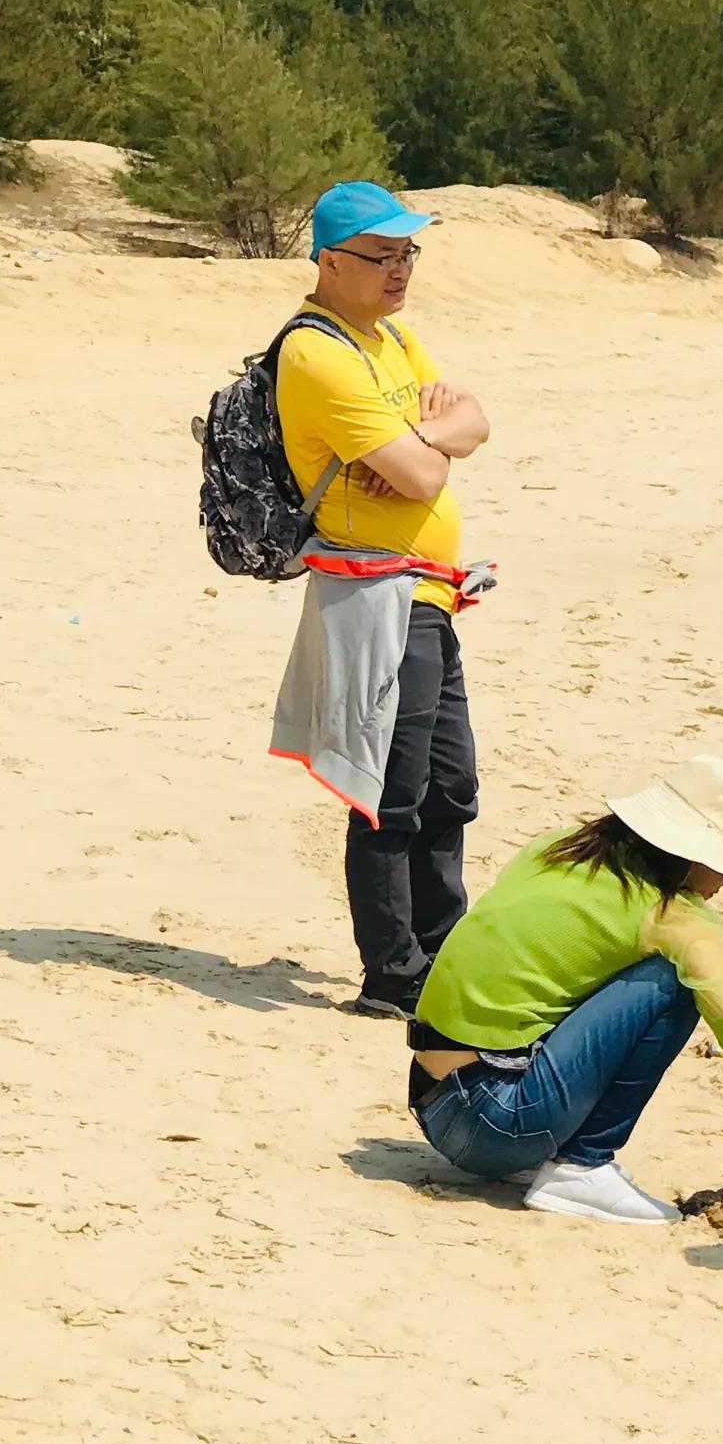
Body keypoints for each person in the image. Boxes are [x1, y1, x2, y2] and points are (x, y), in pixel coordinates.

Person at [276, 180, 490, 1021]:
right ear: (331, 261)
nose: (401, 270)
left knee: (449, 782)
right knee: (389, 790)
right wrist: (428, 446)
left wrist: (428, 434)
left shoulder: (391, 340)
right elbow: (428, 472)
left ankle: (445, 953)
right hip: (375, 595)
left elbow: (474, 421)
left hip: (427, 595)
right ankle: (395, 976)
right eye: (382, 255)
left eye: (409, 253)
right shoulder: (317, 353)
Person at [408, 755, 723, 1226]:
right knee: (671, 982)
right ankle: (582, 1164)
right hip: (492, 1125)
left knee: (603, 967)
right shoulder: (677, 917)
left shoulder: (562, 848)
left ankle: (560, 1155)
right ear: (694, 854)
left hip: (433, 1095)